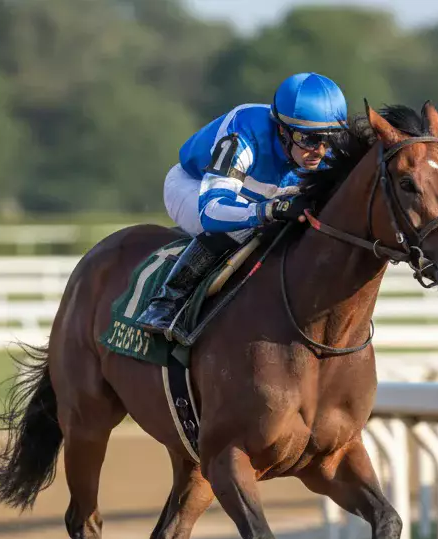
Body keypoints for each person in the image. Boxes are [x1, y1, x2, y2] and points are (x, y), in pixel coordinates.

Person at [135, 72, 349, 342]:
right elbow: (213, 211)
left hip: (257, 198)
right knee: (243, 229)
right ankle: (166, 303)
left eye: (329, 138)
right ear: (282, 129)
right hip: (195, 186)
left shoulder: (324, 151)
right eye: (308, 139)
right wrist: (268, 211)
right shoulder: (244, 129)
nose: (319, 151)